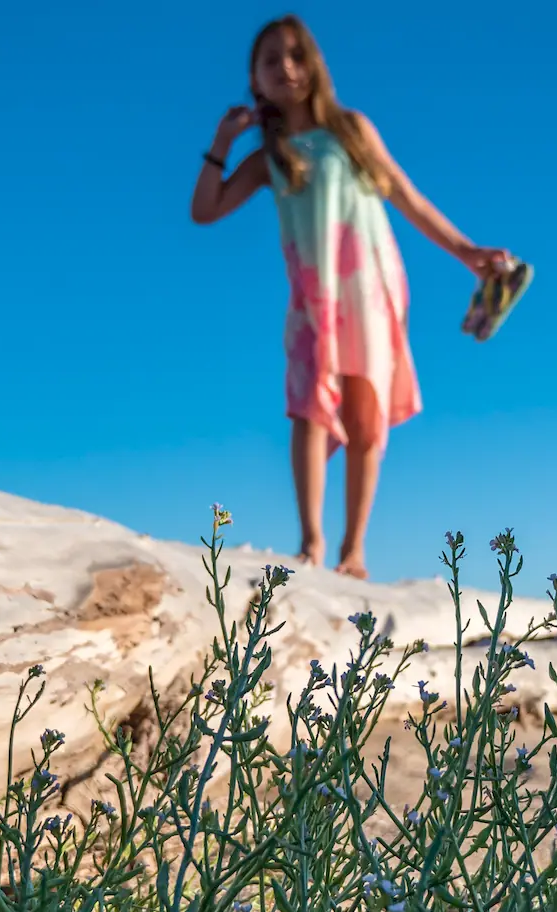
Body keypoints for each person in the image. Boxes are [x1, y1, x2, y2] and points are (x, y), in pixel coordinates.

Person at [190, 14, 511, 580]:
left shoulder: (351, 131)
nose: (285, 67)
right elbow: (205, 210)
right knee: (308, 404)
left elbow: (409, 199)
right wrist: (222, 142)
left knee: (365, 413)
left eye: (296, 55)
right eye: (270, 60)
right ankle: (311, 542)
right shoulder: (269, 158)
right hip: (313, 294)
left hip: (370, 285)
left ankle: (353, 550)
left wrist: (466, 252)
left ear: (314, 65)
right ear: (254, 79)